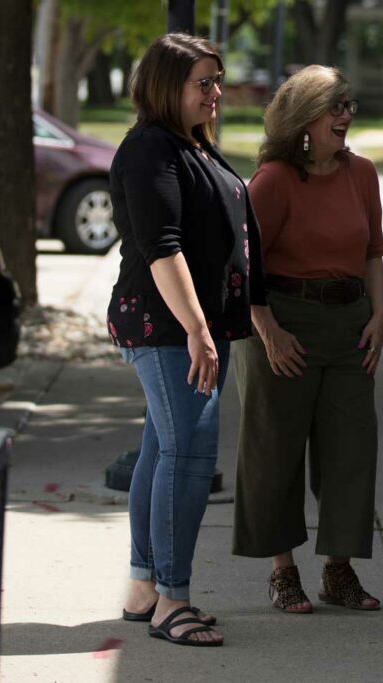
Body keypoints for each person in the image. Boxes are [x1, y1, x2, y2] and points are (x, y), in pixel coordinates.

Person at [109, 33, 266, 647]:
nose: (216, 92)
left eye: (218, 80)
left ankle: (145, 587)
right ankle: (173, 599)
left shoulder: (189, 147)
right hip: (169, 326)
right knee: (189, 457)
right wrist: (199, 331)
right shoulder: (151, 149)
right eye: (204, 82)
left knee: (162, 447)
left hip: (194, 326)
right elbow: (161, 247)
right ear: (165, 85)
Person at [231, 65, 383, 614]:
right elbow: (243, 267)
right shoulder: (273, 181)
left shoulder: (362, 174)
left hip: (350, 326)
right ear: (304, 118)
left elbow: (373, 253)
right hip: (283, 323)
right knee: (276, 449)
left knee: (351, 449)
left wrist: (380, 314)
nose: (345, 116)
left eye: (349, 105)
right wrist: (267, 329)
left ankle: (339, 572)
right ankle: (283, 572)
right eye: (334, 106)